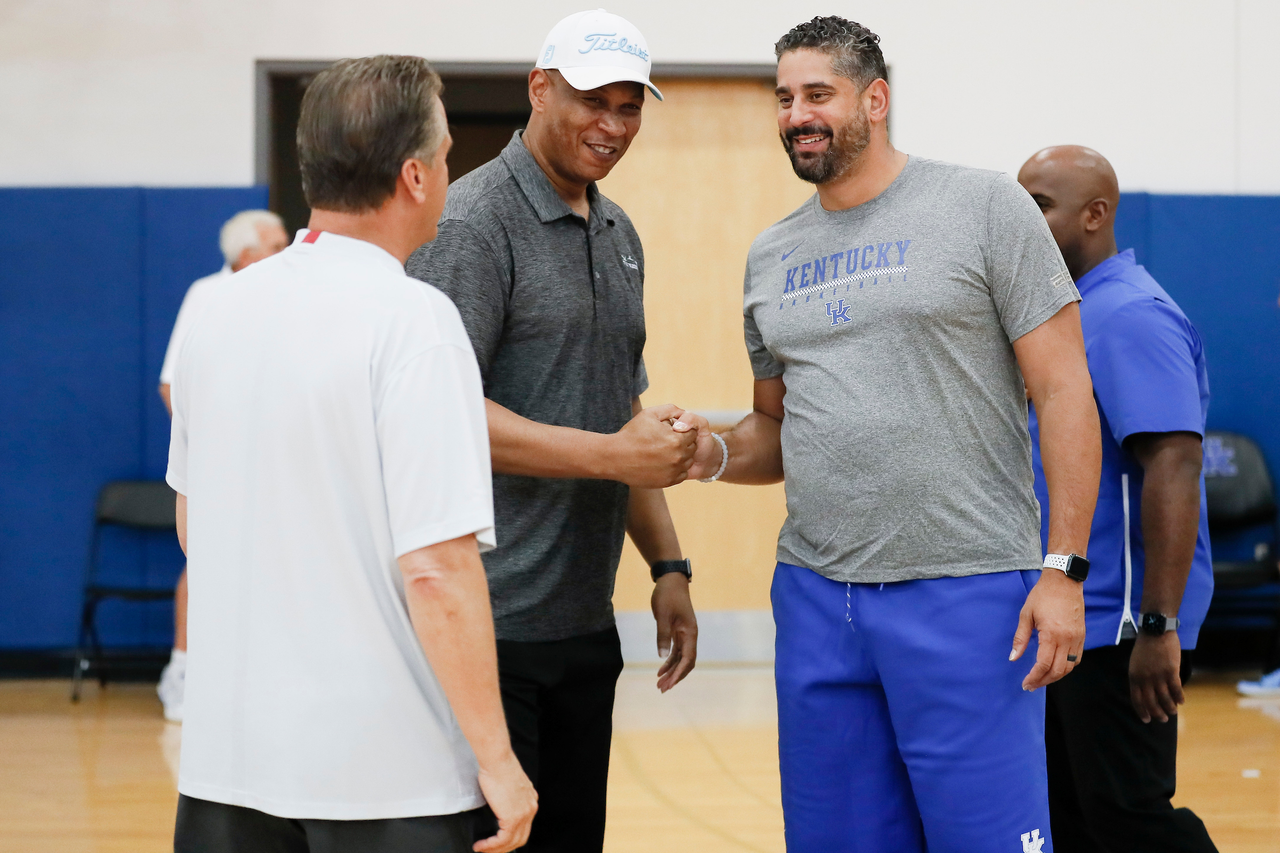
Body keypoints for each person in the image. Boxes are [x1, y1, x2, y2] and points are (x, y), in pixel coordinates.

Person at [684, 16, 1101, 852]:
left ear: (875, 99)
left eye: (817, 94)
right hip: (817, 597)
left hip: (968, 588)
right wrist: (710, 450)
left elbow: (1065, 392)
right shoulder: (771, 257)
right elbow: (776, 428)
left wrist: (1063, 569)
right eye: (783, 97)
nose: (795, 114)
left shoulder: (982, 206)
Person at [166, 55, 536, 853]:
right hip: (384, 779)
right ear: (414, 176)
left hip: (225, 769)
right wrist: (498, 758)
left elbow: (196, 525)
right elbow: (437, 567)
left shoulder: (215, 316)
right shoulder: (414, 321)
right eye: (443, 156)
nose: (448, 170)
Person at [406, 10, 698, 852]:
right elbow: (445, 413)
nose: (611, 125)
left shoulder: (619, 232)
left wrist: (669, 564)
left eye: (629, 105)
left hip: (582, 622)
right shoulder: (471, 225)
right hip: (486, 627)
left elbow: (620, 414)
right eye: (590, 101)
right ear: (539, 89)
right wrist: (615, 454)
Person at [1019, 145, 1219, 852]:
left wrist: (1157, 626)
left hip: (1122, 622)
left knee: (1127, 816)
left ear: (1095, 214)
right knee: (1070, 816)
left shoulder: (1131, 314)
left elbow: (1173, 464)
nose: (1022, 215)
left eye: (1039, 203)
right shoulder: (1071, 312)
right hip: (1071, 619)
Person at [155, 208, 288, 723]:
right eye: (277, 245)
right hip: (220, 464)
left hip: (274, 463)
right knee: (203, 560)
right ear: (248, 255)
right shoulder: (207, 296)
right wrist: (217, 445)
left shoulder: (285, 295)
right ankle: (183, 673)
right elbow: (173, 385)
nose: (287, 252)